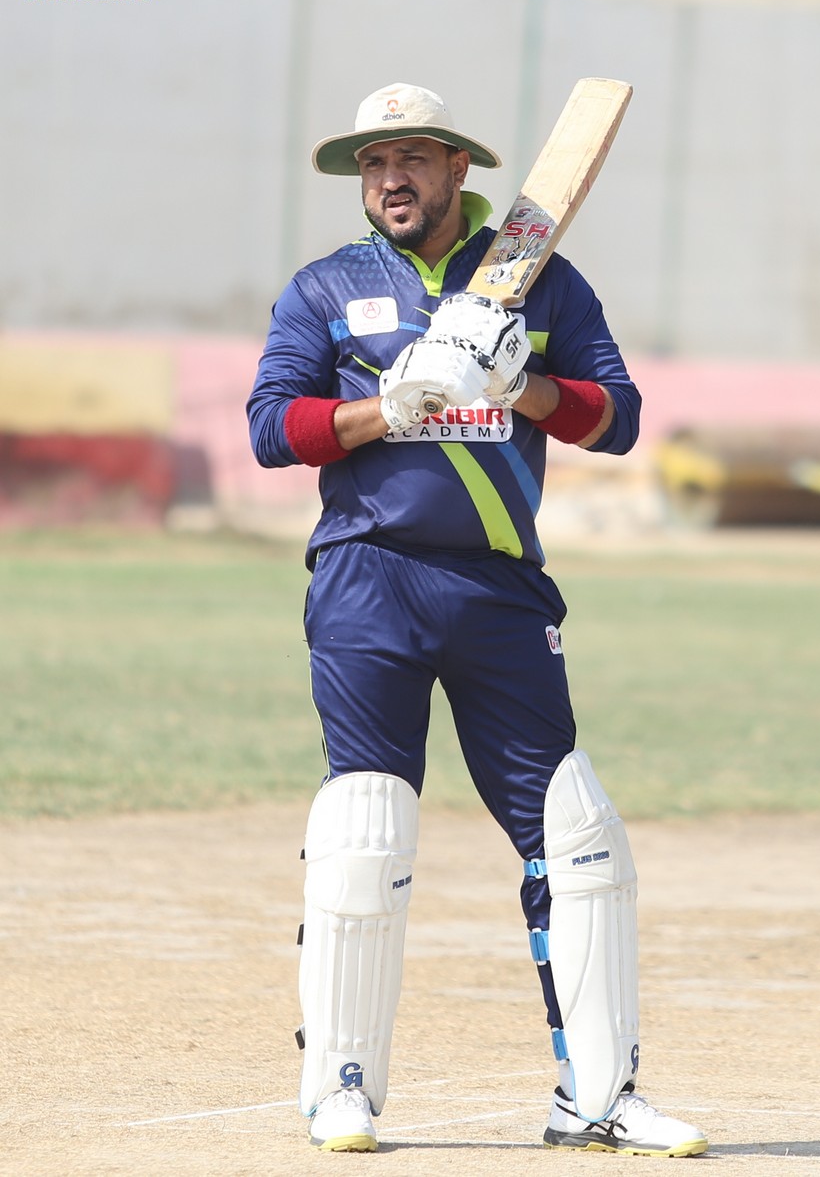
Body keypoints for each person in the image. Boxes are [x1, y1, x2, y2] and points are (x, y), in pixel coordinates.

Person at [247, 82, 707, 1157]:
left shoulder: (541, 283)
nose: (390, 179)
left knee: (576, 832)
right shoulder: (326, 287)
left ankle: (596, 1095)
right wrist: (383, 409)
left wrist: (524, 386)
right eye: (373, 163)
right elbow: (272, 428)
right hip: (367, 576)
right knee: (366, 824)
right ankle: (343, 1088)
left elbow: (619, 419)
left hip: (499, 588)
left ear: (459, 169)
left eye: (411, 157)